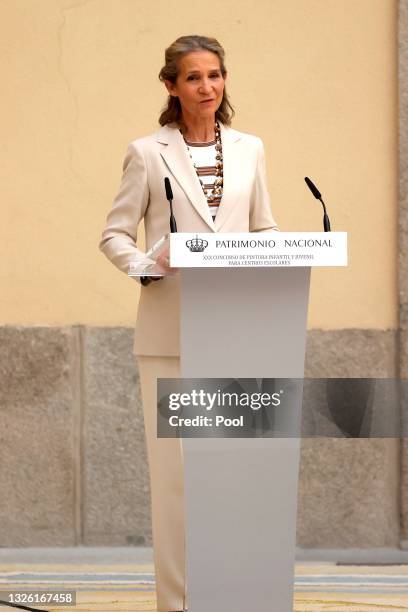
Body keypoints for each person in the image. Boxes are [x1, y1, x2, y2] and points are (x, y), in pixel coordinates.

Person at [99, 34, 278, 612]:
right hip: (170, 337)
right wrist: (148, 263)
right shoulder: (148, 152)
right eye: (195, 77)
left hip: (237, 336)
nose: (208, 87)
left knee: (231, 478)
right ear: (171, 85)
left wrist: (279, 262)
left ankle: (232, 597)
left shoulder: (250, 150)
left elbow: (264, 230)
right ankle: (177, 604)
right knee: (177, 483)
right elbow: (114, 235)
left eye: (216, 76)